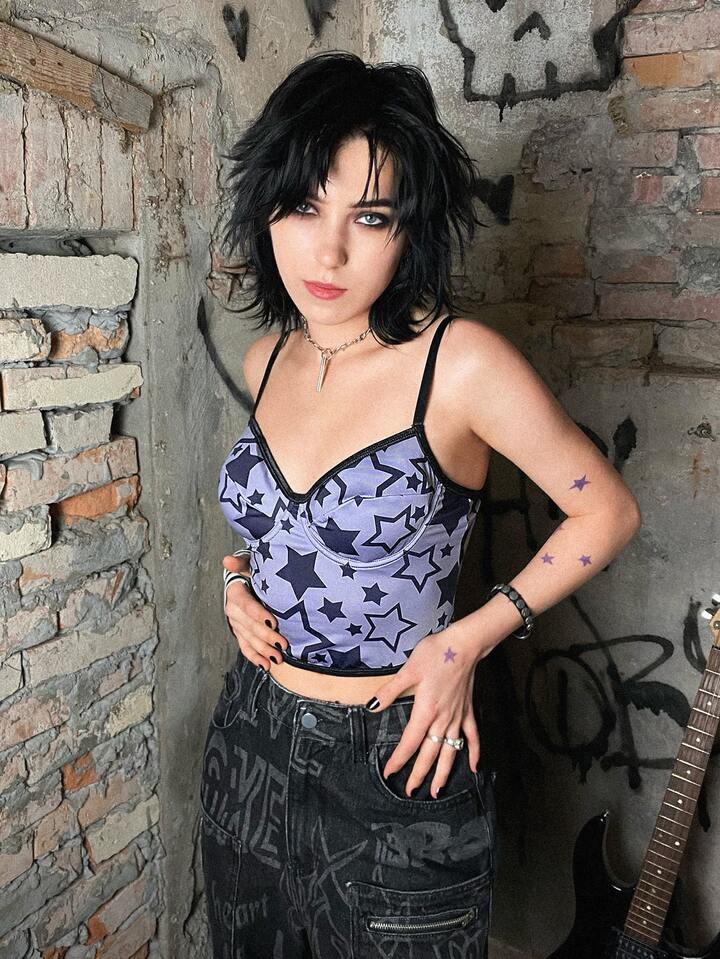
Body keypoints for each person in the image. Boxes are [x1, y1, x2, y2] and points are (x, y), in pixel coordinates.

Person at [200, 50, 642, 958]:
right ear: (265, 207)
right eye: (303, 206)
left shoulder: (460, 363)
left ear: (411, 229)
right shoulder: (266, 359)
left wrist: (467, 639)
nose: (328, 252)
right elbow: (277, 526)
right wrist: (236, 582)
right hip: (250, 739)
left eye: (369, 216)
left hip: (395, 758)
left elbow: (608, 512)